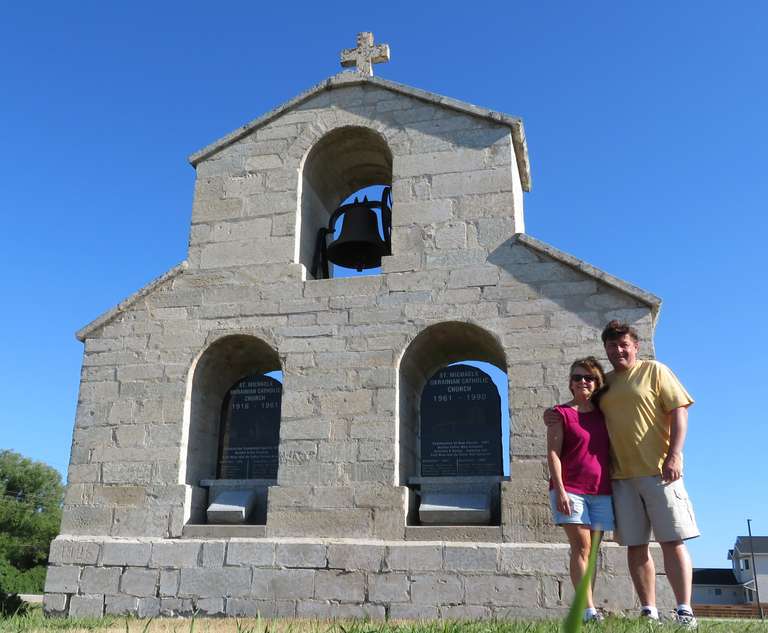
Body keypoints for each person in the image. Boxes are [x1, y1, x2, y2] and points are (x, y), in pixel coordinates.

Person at [548, 320, 700, 628]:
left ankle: (684, 610)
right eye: (612, 346)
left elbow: (679, 410)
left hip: (660, 471)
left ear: (635, 347)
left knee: (673, 540)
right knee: (636, 545)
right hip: (620, 479)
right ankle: (649, 610)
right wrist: (554, 414)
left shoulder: (656, 371)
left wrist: (675, 454)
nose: (618, 350)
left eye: (623, 345)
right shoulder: (606, 386)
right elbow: (580, 407)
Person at [546, 357, 613, 624]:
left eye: (589, 378)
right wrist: (560, 490)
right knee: (581, 546)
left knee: (592, 550)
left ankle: (589, 608)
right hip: (571, 489)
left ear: (597, 383)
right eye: (577, 377)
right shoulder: (560, 413)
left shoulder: (604, 414)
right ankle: (588, 610)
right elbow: (553, 453)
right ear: (570, 383)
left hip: (601, 490)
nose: (583, 381)